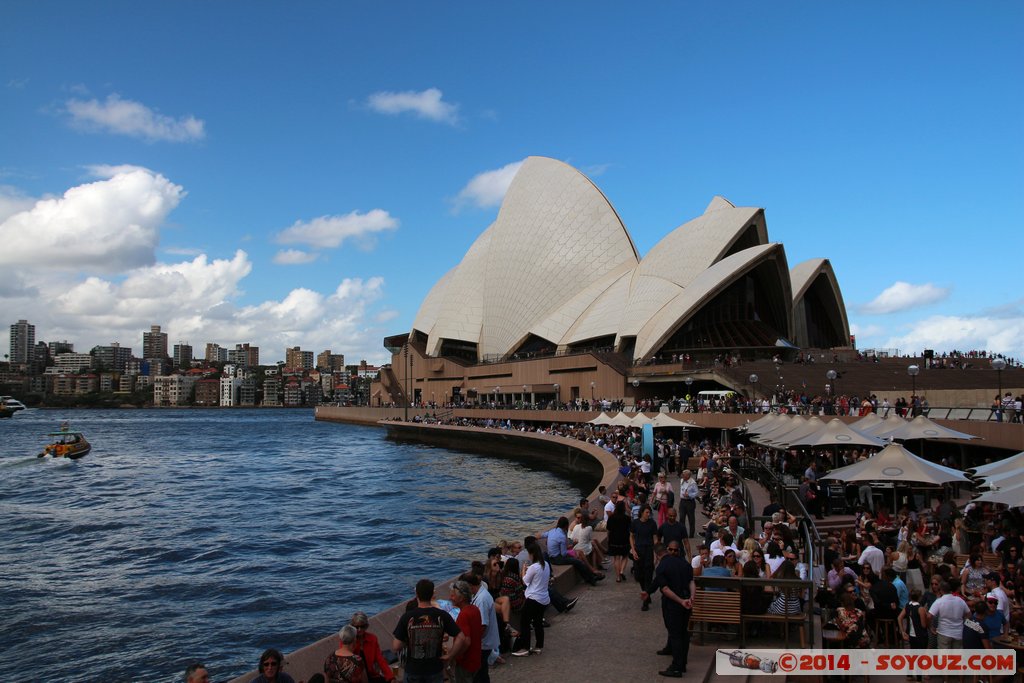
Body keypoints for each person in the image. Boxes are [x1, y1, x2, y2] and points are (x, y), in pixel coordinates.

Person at [392, 579, 465, 683]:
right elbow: (461, 637)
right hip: (434, 669)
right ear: (432, 594)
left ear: (417, 594)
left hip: (413, 670)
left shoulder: (407, 617)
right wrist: (450, 655)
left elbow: (396, 647)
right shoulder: (442, 615)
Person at [642, 540, 695, 678]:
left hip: (673, 605)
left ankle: (676, 667)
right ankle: (682, 664)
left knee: (675, 635)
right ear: (666, 550)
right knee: (683, 634)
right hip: (687, 603)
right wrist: (691, 599)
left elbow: (665, 589)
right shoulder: (684, 564)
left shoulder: (662, 567)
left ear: (657, 554)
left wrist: (680, 601)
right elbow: (691, 582)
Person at [511, 543, 550, 657]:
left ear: (532, 554)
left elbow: (525, 581)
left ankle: (525, 648)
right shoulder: (545, 564)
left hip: (533, 599)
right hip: (544, 598)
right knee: (538, 622)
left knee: (525, 622)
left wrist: (523, 570)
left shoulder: (533, 567)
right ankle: (538, 646)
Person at [461, 572, 498, 683]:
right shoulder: (481, 595)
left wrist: (473, 643)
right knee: (482, 672)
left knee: (478, 674)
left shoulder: (481, 599)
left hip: (483, 643)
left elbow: (482, 625)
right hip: (484, 642)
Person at [547, 516, 603, 586]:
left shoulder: (552, 531)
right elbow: (564, 554)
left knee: (577, 559)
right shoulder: (561, 536)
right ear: (566, 526)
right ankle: (592, 578)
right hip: (557, 559)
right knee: (578, 561)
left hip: (552, 557)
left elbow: (543, 535)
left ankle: (589, 577)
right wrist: (572, 553)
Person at [448, 581, 482, 683]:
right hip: (476, 659)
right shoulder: (475, 609)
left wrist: (453, 656)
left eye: (453, 596)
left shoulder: (463, 615)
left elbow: (466, 641)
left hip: (465, 663)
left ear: (461, 598)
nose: (450, 598)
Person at [349, 613, 393, 683]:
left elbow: (380, 659)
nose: (359, 629)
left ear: (366, 626)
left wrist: (390, 677)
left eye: (362, 626)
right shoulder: (348, 640)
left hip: (371, 675)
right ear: (352, 627)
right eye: (356, 627)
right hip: (355, 678)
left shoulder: (372, 639)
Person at [631, 504, 659, 610]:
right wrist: (633, 549)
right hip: (638, 550)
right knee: (639, 575)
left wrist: (656, 552)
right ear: (642, 512)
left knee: (648, 575)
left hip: (648, 551)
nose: (648, 514)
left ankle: (645, 600)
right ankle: (646, 592)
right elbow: (631, 536)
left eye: (649, 513)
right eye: (646, 512)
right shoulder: (635, 523)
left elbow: (655, 538)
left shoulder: (652, 524)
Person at [928, 580, 971, 649]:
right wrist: (964, 623)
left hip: (944, 633)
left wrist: (931, 626)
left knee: (944, 657)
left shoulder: (939, 601)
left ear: (941, 590)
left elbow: (929, 616)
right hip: (958, 633)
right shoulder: (960, 600)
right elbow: (969, 614)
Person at [606, 499, 632, 583]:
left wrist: (608, 538)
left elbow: (608, 530)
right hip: (624, 539)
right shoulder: (627, 518)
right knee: (625, 556)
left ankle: (617, 577)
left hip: (614, 539)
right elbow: (630, 529)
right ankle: (621, 571)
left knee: (616, 558)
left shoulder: (611, 518)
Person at [678, 469, 698, 539]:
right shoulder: (682, 480)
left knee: (691, 518)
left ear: (688, 475)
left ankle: (691, 534)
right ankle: (682, 533)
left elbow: (696, 493)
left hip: (690, 502)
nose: (682, 476)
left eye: (684, 474)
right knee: (681, 517)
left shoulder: (693, 483)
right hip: (682, 501)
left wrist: (689, 495)